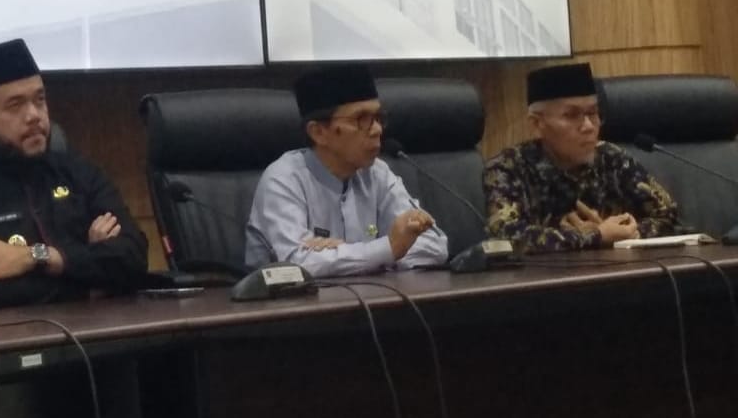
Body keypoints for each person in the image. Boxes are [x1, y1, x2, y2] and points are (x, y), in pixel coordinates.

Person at [0, 38, 148, 307]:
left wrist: (39, 257)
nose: (34, 115)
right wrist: (94, 280)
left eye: (39, 100)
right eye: (15, 105)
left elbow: (133, 256)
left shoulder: (78, 173)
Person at [245, 64, 448, 277]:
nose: (377, 129)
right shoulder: (283, 180)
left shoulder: (377, 174)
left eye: (378, 117)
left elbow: (435, 245)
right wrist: (386, 249)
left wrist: (353, 255)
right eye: (362, 119)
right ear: (318, 132)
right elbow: (295, 265)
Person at [483, 63, 680, 252]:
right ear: (537, 124)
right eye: (571, 115)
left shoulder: (612, 158)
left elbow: (669, 216)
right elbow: (504, 237)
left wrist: (629, 232)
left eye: (593, 113)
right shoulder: (507, 168)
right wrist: (596, 236)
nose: (588, 126)